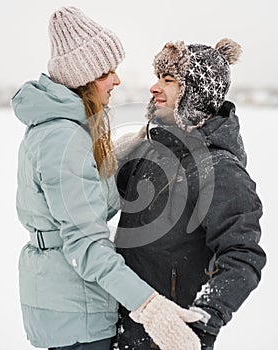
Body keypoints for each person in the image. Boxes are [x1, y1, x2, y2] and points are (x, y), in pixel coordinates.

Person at [11, 7, 204, 350]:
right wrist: (150, 307)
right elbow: (85, 245)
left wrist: (137, 146)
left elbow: (89, 195)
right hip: (76, 313)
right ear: (84, 78)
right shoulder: (62, 142)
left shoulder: (66, 132)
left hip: (66, 304)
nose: (116, 80)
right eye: (107, 72)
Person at [113, 39, 267, 349]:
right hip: (123, 328)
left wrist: (202, 320)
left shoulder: (220, 169)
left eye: (168, 80)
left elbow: (243, 255)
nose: (155, 87)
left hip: (169, 339)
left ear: (195, 94)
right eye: (158, 77)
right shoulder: (147, 150)